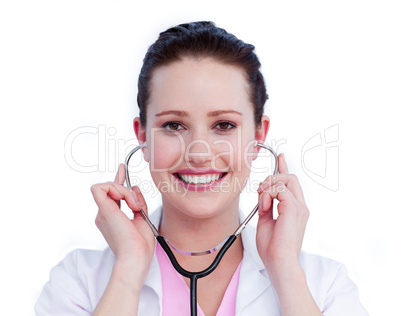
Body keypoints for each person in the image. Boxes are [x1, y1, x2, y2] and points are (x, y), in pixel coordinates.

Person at [35, 21, 368, 316]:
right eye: (174, 126)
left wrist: (285, 271)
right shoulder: (79, 281)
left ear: (258, 136)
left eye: (223, 125)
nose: (198, 153)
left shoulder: (324, 286)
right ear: (142, 136)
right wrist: (128, 272)